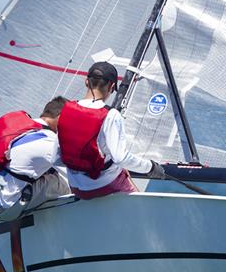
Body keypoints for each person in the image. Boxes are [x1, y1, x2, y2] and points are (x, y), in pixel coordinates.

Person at [57, 61, 164, 199]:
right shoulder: (111, 115)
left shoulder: (66, 108)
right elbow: (121, 158)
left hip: (76, 187)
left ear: (86, 82)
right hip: (105, 186)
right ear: (112, 86)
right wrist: (150, 167)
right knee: (121, 170)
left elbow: (57, 157)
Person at [0, 96, 71, 220]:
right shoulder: (48, 139)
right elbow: (77, 165)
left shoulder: (22, 131)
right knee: (64, 180)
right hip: (4, 210)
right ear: (60, 118)